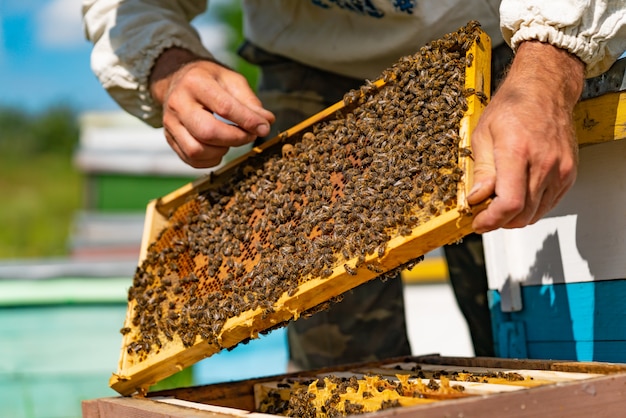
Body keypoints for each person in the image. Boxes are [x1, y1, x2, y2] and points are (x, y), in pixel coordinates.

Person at [82, 1, 626, 369]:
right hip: (309, 63)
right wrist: (171, 65)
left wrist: (549, 70)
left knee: (542, 337)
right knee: (336, 370)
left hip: (512, 38)